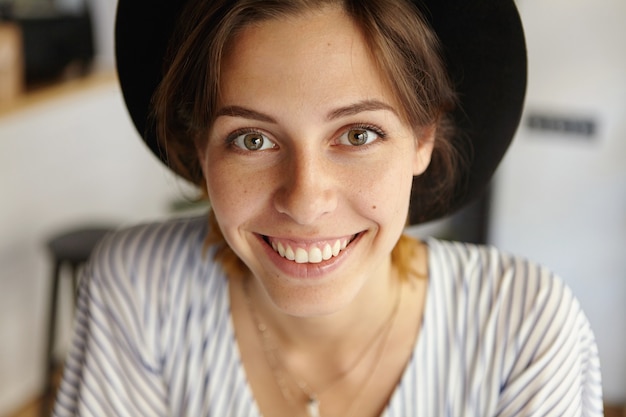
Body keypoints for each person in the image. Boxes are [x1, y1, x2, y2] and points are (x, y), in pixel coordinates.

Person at [53, 0, 603, 416]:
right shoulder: (139, 292)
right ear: (201, 147)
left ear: (422, 138)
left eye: (358, 134)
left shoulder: (524, 327)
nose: (306, 201)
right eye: (251, 139)